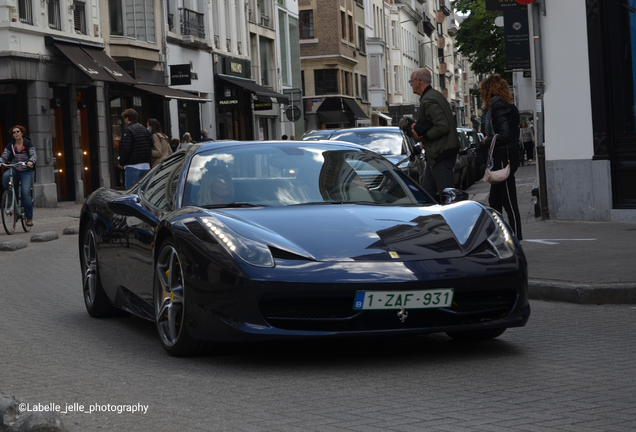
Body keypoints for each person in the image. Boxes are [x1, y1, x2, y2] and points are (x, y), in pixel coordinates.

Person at [480, 74, 523, 240]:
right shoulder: (506, 106)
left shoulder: (498, 108)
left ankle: (515, 239)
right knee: (495, 200)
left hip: (503, 157)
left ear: (488, 91)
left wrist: (487, 139)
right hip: (505, 156)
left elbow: (505, 135)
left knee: (508, 200)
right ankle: (500, 237)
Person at [408, 68, 459, 201]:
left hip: (441, 153)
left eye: (411, 81)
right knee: (426, 195)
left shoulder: (428, 100)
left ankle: (452, 221)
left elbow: (443, 126)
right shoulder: (434, 95)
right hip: (436, 154)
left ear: (418, 81)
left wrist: (422, 137)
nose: (411, 84)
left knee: (448, 197)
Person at [0, 125, 36, 226]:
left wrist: (31, 161)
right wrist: (0, 161)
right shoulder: (10, 145)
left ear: (22, 133)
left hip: (26, 170)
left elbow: (33, 155)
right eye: (14, 132)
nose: (16, 134)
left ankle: (29, 217)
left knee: (25, 193)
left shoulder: (28, 144)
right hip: (15, 169)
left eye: (17, 132)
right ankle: (9, 195)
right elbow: (4, 156)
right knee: (5, 176)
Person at [118, 109, 152, 189]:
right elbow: (149, 145)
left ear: (127, 118)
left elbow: (126, 147)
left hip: (132, 165)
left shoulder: (128, 130)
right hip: (146, 165)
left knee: (131, 191)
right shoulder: (144, 129)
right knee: (144, 191)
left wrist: (121, 162)